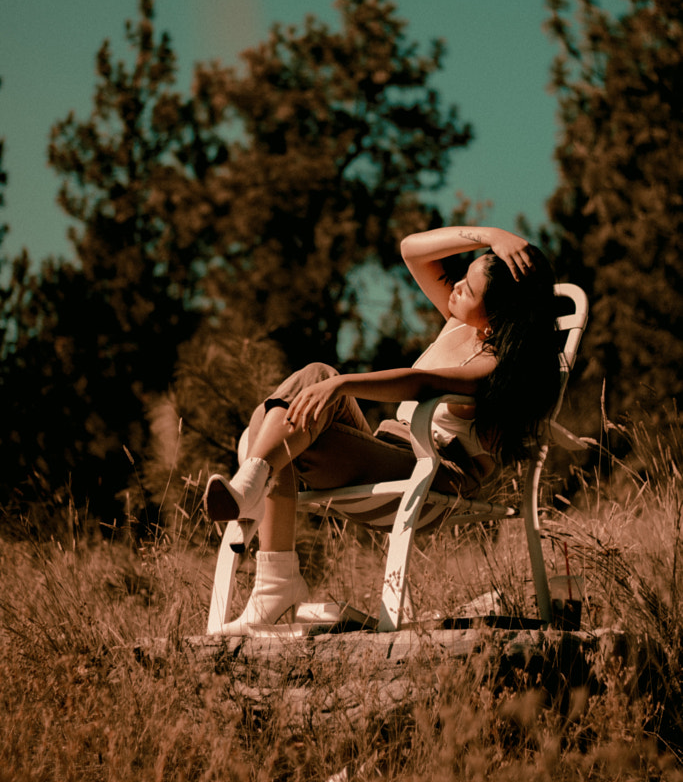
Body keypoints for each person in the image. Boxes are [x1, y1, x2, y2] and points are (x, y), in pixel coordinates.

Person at [203, 225, 561, 634]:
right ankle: (255, 492)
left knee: (273, 425)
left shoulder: (493, 367)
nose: (456, 286)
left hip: (436, 472)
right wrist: (491, 235)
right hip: (394, 448)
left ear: (495, 321)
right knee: (307, 383)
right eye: (461, 277)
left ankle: (267, 550)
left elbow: (420, 383)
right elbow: (411, 250)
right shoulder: (460, 320)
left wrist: (345, 383)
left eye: (469, 288)